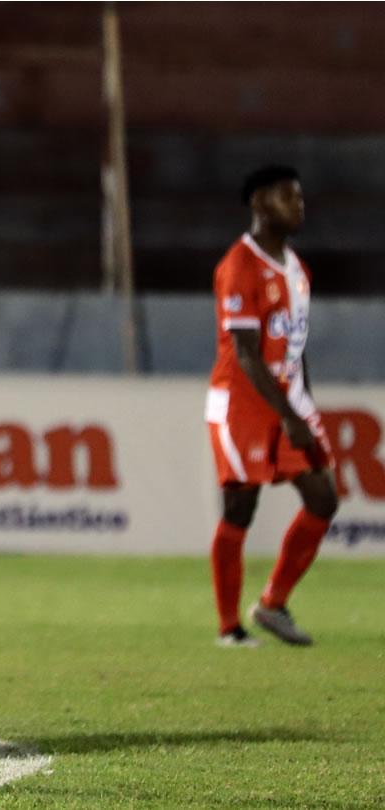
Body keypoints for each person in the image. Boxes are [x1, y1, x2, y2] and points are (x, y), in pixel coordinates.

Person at [205, 165, 338, 648]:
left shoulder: (297, 269)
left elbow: (296, 349)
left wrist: (304, 406)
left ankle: (272, 604)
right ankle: (229, 629)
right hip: (241, 403)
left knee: (324, 499)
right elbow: (245, 353)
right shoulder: (239, 266)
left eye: (299, 198)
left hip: (286, 397)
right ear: (259, 202)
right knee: (240, 507)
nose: (298, 206)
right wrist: (287, 415)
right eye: (287, 197)